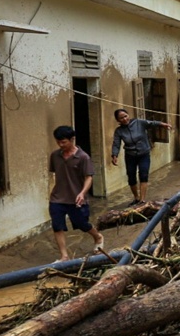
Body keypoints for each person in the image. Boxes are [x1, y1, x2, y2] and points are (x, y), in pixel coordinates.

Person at [49, 126, 105, 260]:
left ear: (72, 139)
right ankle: (64, 256)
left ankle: (97, 236)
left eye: (64, 142)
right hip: (57, 198)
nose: (60, 145)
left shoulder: (83, 157)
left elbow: (89, 177)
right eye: (58, 142)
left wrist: (82, 193)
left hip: (76, 198)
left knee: (82, 224)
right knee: (57, 226)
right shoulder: (55, 156)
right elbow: (53, 174)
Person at [110, 107, 169, 204]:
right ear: (118, 120)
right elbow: (116, 144)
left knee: (143, 174)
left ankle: (142, 199)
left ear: (128, 115)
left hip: (144, 154)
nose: (124, 119)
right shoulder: (119, 131)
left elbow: (152, 123)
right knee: (131, 177)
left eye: (125, 116)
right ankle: (136, 198)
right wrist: (114, 155)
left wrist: (163, 125)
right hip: (130, 156)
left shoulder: (139, 122)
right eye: (121, 118)